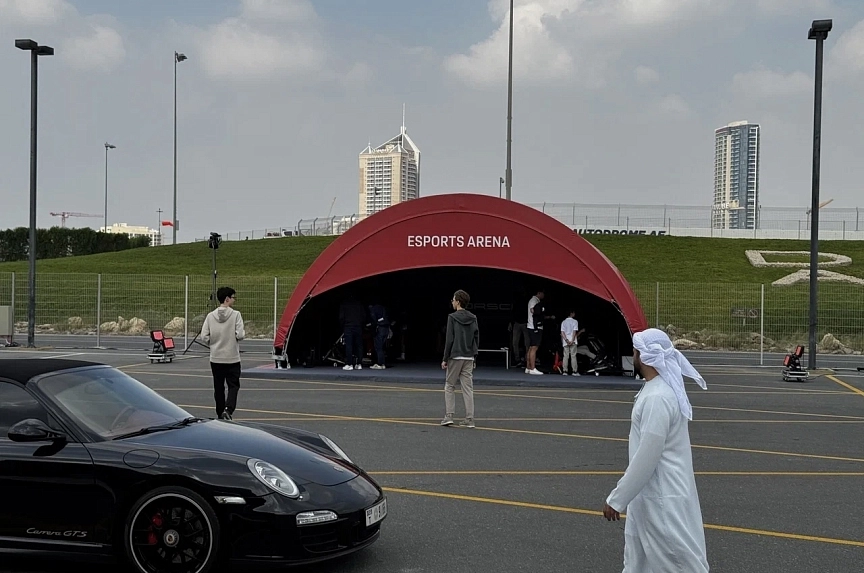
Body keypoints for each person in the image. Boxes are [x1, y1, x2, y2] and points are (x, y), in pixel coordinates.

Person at [602, 328, 710, 572]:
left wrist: (617, 499)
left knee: (678, 562)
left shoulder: (658, 397)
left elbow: (647, 456)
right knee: (638, 562)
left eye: (635, 350)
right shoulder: (656, 391)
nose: (633, 355)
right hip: (649, 496)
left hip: (663, 498)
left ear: (643, 356)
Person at [201, 286, 246, 421]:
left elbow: (204, 336)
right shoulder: (235, 314)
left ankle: (220, 413)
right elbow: (241, 334)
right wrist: (234, 338)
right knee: (233, 385)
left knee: (218, 387)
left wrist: (213, 343)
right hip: (232, 356)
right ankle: (229, 409)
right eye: (233, 297)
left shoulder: (210, 316)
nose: (234, 300)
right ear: (227, 299)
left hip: (216, 357)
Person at [440, 289, 479, 428]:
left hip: (455, 355)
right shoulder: (473, 317)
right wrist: (474, 356)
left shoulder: (452, 317)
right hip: (469, 356)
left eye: (453, 299)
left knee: (450, 385)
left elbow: (449, 339)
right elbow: (476, 338)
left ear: (457, 301)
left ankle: (449, 415)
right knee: (468, 387)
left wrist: (445, 358)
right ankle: (470, 418)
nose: (452, 301)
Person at [339, 293, 366, 370]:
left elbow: (341, 317)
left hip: (348, 326)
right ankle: (359, 363)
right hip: (358, 326)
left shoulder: (344, 304)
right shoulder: (359, 304)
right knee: (359, 345)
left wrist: (343, 325)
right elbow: (363, 316)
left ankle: (349, 363)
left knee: (349, 345)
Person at [526, 289, 545, 375]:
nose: (543, 295)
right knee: (534, 347)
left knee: (531, 347)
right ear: (539, 293)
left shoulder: (534, 300)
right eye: (543, 293)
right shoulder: (534, 301)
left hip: (531, 326)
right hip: (534, 327)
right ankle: (533, 368)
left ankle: (528, 367)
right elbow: (532, 310)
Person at [368, 300, 390, 369]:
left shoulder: (373, 309)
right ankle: (382, 363)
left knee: (378, 347)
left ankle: (380, 364)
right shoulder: (383, 308)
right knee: (382, 347)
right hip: (386, 328)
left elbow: (374, 320)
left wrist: (371, 325)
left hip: (379, 328)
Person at [560, 310, 582, 376]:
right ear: (571, 313)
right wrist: (572, 340)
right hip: (573, 341)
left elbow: (562, 332)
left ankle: (565, 371)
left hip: (565, 341)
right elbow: (574, 332)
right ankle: (574, 371)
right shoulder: (575, 321)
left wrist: (566, 340)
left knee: (565, 356)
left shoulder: (563, 322)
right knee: (573, 356)